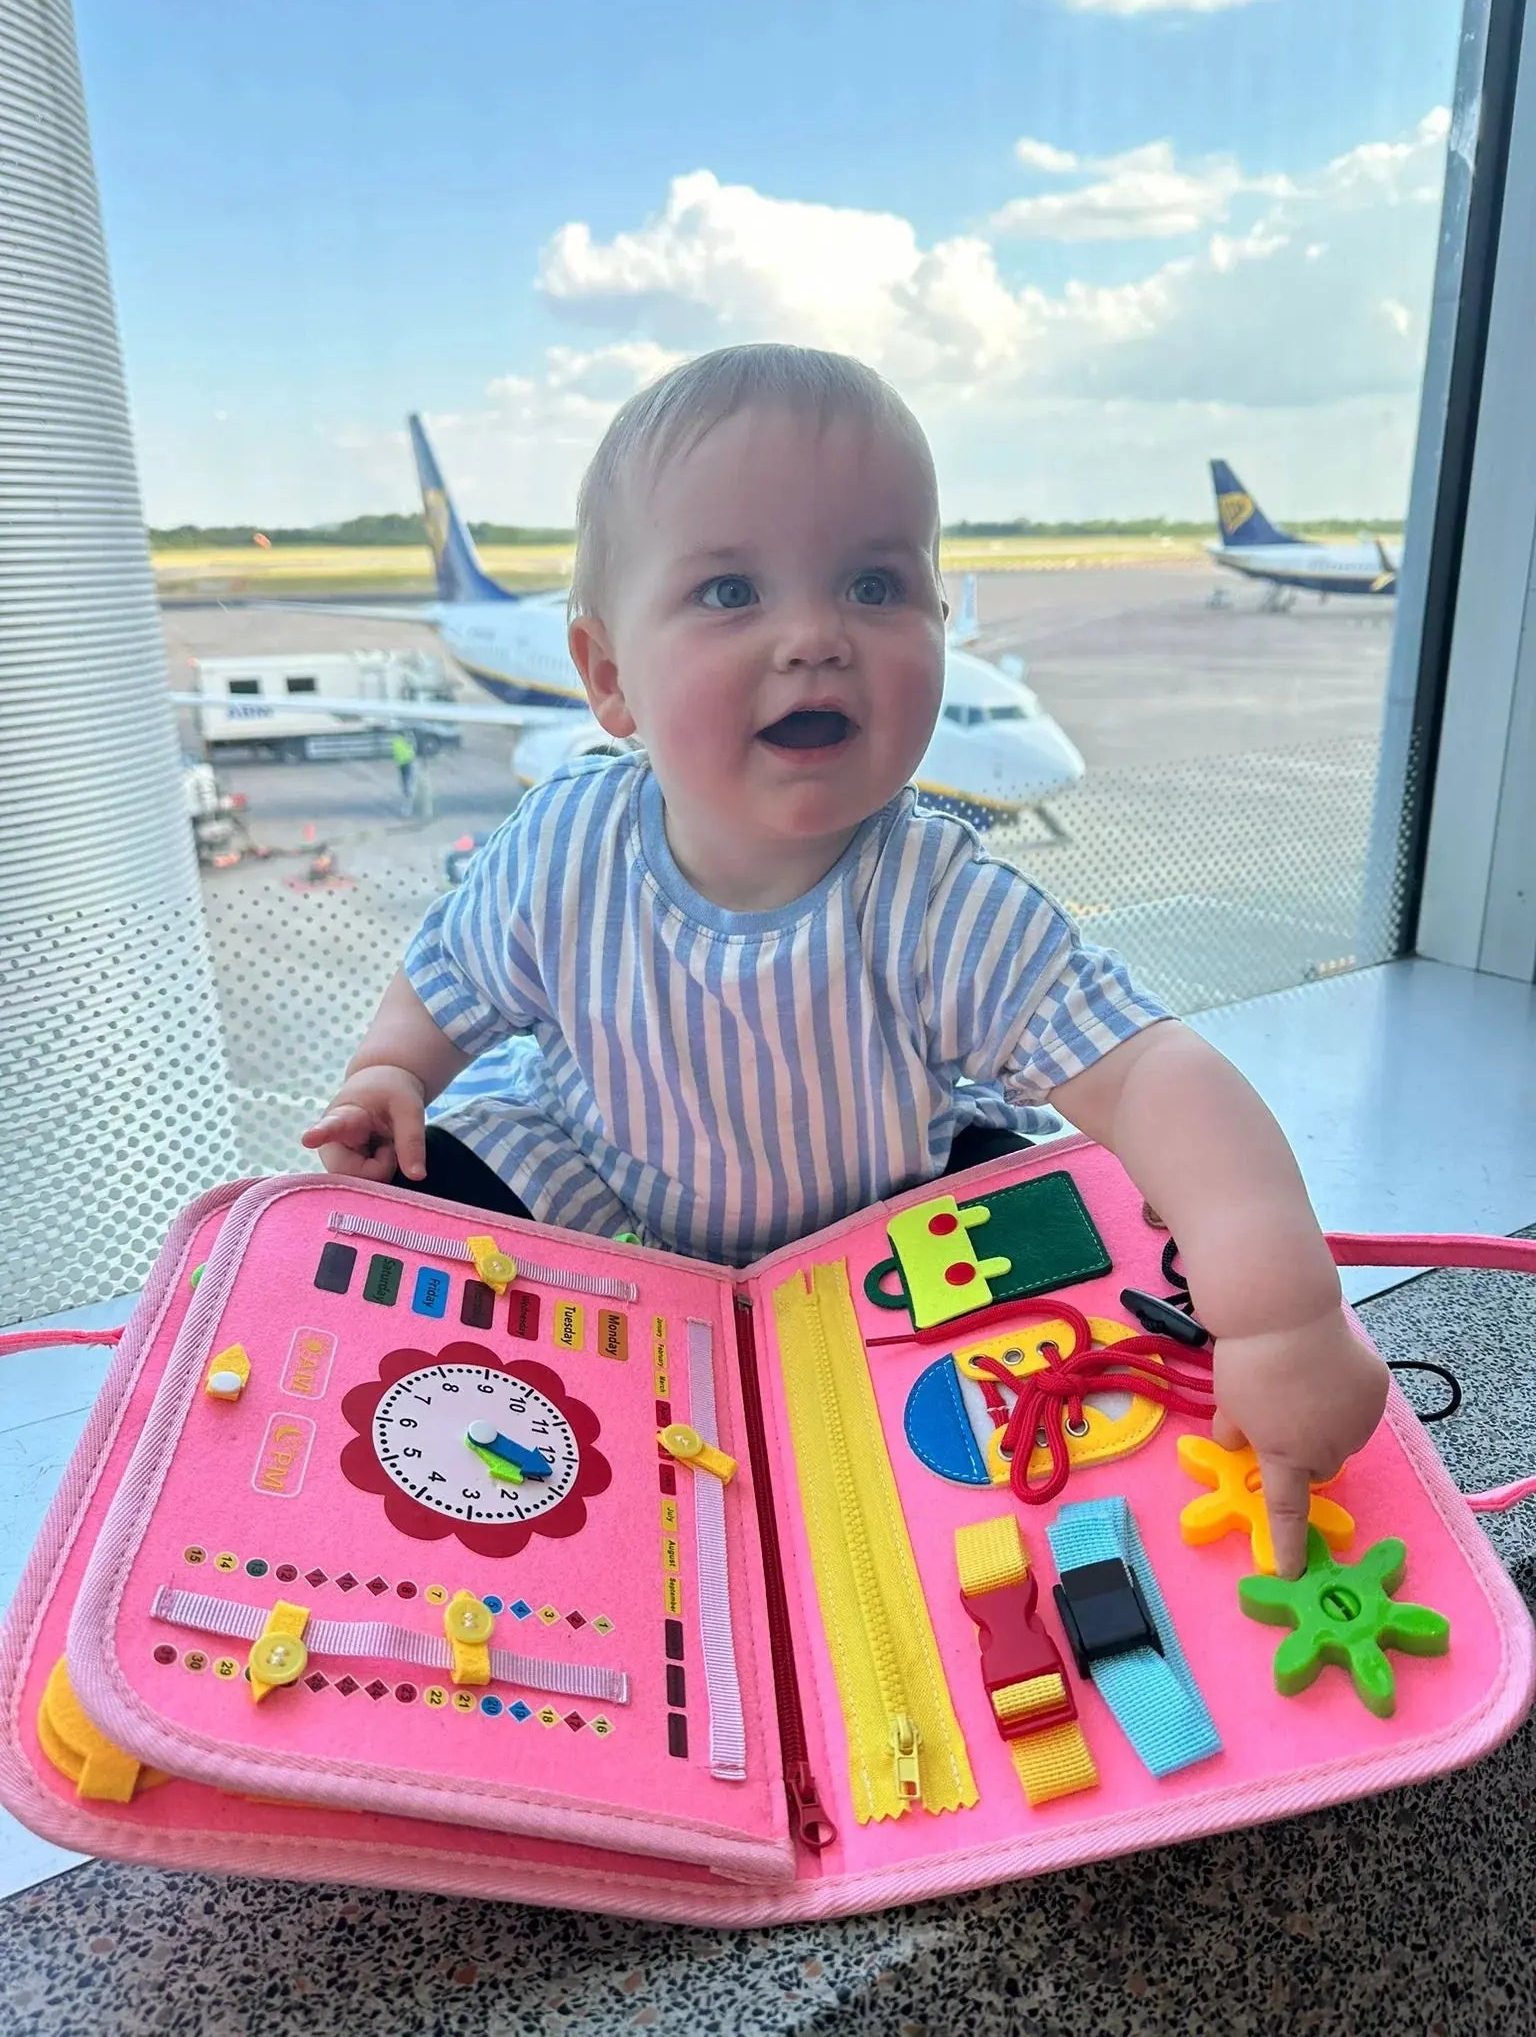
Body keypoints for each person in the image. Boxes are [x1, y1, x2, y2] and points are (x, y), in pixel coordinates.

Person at [303, 343, 1386, 1577]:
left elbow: (1149, 1074)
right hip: (605, 1205)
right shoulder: (563, 843)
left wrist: (1284, 1309)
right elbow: (449, 975)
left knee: (1045, 1210)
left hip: (880, 1240)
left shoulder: (935, 898)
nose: (815, 635)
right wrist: (394, 1066)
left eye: (875, 584)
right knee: (422, 1191)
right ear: (609, 676)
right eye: (729, 593)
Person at [391, 728, 418, 815]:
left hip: (401, 764)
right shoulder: (405, 741)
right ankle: (408, 801)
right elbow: (411, 751)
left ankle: (406, 794)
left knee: (405, 782)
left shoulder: (395, 742)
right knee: (409, 783)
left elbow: (396, 754)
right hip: (407, 763)